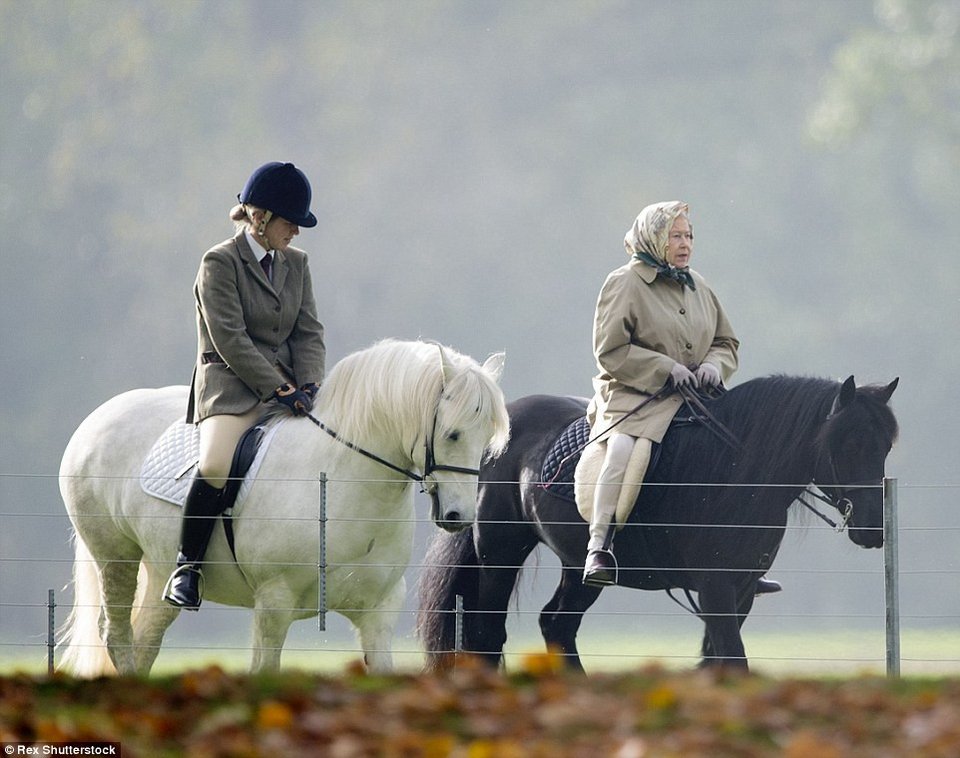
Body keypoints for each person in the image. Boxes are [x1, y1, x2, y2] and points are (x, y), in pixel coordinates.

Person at [581, 200, 780, 595]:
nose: (685, 243)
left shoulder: (699, 285)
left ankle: (742, 561)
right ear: (654, 238)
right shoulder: (623, 282)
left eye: (689, 235)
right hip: (633, 395)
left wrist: (713, 366)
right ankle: (598, 546)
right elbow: (610, 351)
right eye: (676, 236)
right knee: (623, 451)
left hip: (696, 397)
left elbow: (726, 342)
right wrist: (664, 368)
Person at [162, 161, 327, 610]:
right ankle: (187, 567)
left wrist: (310, 383)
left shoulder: (297, 264)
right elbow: (230, 337)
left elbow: (308, 331)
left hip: (290, 389)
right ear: (260, 218)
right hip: (231, 387)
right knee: (216, 464)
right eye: (290, 223)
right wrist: (277, 388)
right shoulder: (219, 262)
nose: (295, 232)